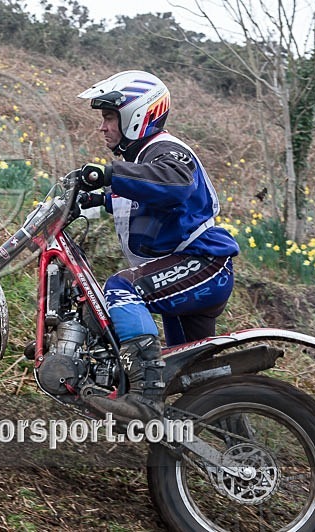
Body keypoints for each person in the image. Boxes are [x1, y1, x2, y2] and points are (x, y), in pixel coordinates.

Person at [75, 70, 240, 421]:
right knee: (195, 375)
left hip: (204, 264)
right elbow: (141, 198)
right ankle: (240, 448)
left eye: (108, 117)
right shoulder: (141, 163)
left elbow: (173, 184)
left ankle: (145, 396)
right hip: (194, 270)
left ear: (137, 115)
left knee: (123, 286)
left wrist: (109, 174)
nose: (102, 127)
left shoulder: (167, 151)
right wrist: (94, 198)